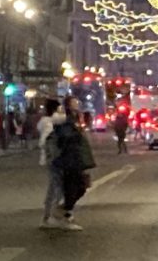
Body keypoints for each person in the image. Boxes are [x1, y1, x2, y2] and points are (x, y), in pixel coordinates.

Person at [44, 97, 93, 231]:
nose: (77, 104)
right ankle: (61, 214)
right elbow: (65, 137)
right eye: (74, 103)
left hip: (77, 159)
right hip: (69, 160)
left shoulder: (75, 119)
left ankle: (62, 212)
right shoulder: (65, 120)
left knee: (80, 186)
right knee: (70, 188)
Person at [39, 99, 66, 229]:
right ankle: (51, 216)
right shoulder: (50, 123)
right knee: (57, 188)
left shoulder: (46, 122)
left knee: (54, 187)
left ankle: (48, 215)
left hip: (52, 159)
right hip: (54, 159)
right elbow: (45, 141)